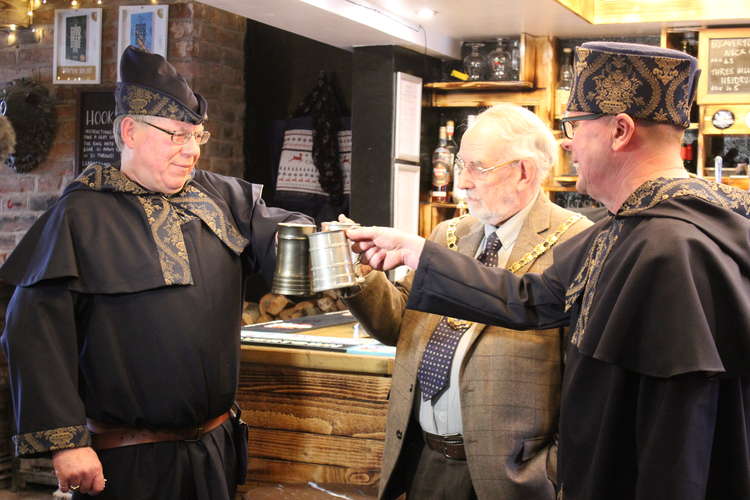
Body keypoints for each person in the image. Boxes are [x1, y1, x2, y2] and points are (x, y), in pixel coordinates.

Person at [347, 42, 750, 500]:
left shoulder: (670, 249)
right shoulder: (627, 228)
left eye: (574, 126)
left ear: (620, 130)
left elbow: (678, 442)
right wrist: (420, 253)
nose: (565, 142)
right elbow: (529, 298)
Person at [0, 46, 310, 499]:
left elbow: (284, 228)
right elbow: (34, 334)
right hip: (129, 459)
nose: (190, 152)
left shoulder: (220, 196)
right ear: (130, 130)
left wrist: (317, 240)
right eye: (176, 136)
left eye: (197, 137)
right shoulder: (79, 215)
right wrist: (67, 443)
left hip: (216, 447)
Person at [340, 103, 591, 499]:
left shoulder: (576, 243)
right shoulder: (448, 234)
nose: (462, 184)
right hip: (426, 461)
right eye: (460, 166)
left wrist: (551, 473)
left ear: (523, 171)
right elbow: (399, 326)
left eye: (478, 168)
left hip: (514, 479)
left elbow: (587, 387)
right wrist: (361, 274)